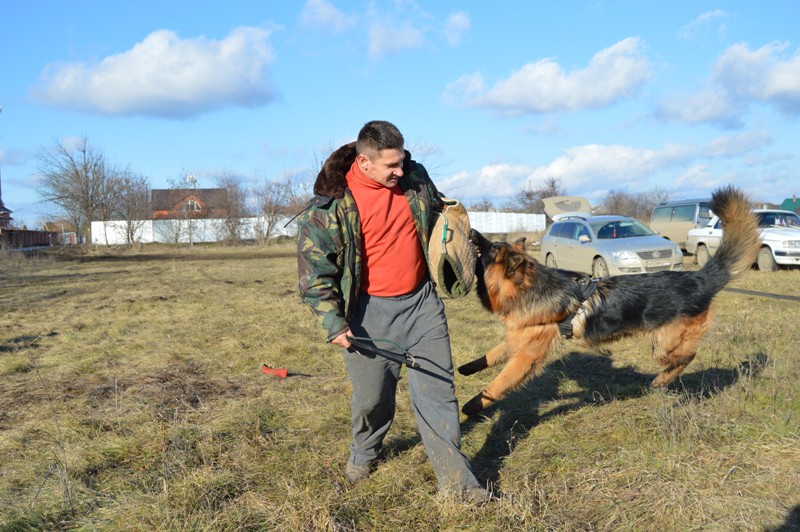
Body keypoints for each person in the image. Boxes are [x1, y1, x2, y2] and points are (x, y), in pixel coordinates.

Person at [296, 120, 492, 502]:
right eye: (391, 166)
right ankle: (365, 451)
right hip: (367, 314)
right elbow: (314, 272)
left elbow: (440, 218)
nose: (400, 171)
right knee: (373, 400)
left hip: (422, 305)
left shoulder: (415, 178)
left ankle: (459, 487)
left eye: (402, 161)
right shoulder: (330, 205)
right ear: (365, 162)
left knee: (438, 395)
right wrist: (334, 323)